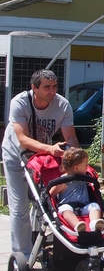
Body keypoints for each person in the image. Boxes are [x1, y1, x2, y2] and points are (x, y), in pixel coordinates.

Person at [1, 69, 80, 257]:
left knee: (44, 202)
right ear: (34, 88)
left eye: (54, 87)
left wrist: (72, 159)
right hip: (16, 155)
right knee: (19, 207)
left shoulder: (63, 105)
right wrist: (51, 149)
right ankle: (23, 255)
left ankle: (44, 242)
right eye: (47, 88)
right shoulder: (19, 103)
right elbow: (23, 139)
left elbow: (71, 137)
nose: (52, 91)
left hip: (42, 158)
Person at [48, 147, 104, 233]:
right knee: (65, 208)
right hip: (69, 206)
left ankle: (94, 224)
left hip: (84, 206)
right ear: (76, 167)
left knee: (94, 205)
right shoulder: (63, 181)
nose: (87, 166)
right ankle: (77, 225)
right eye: (85, 164)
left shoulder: (86, 178)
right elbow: (50, 194)